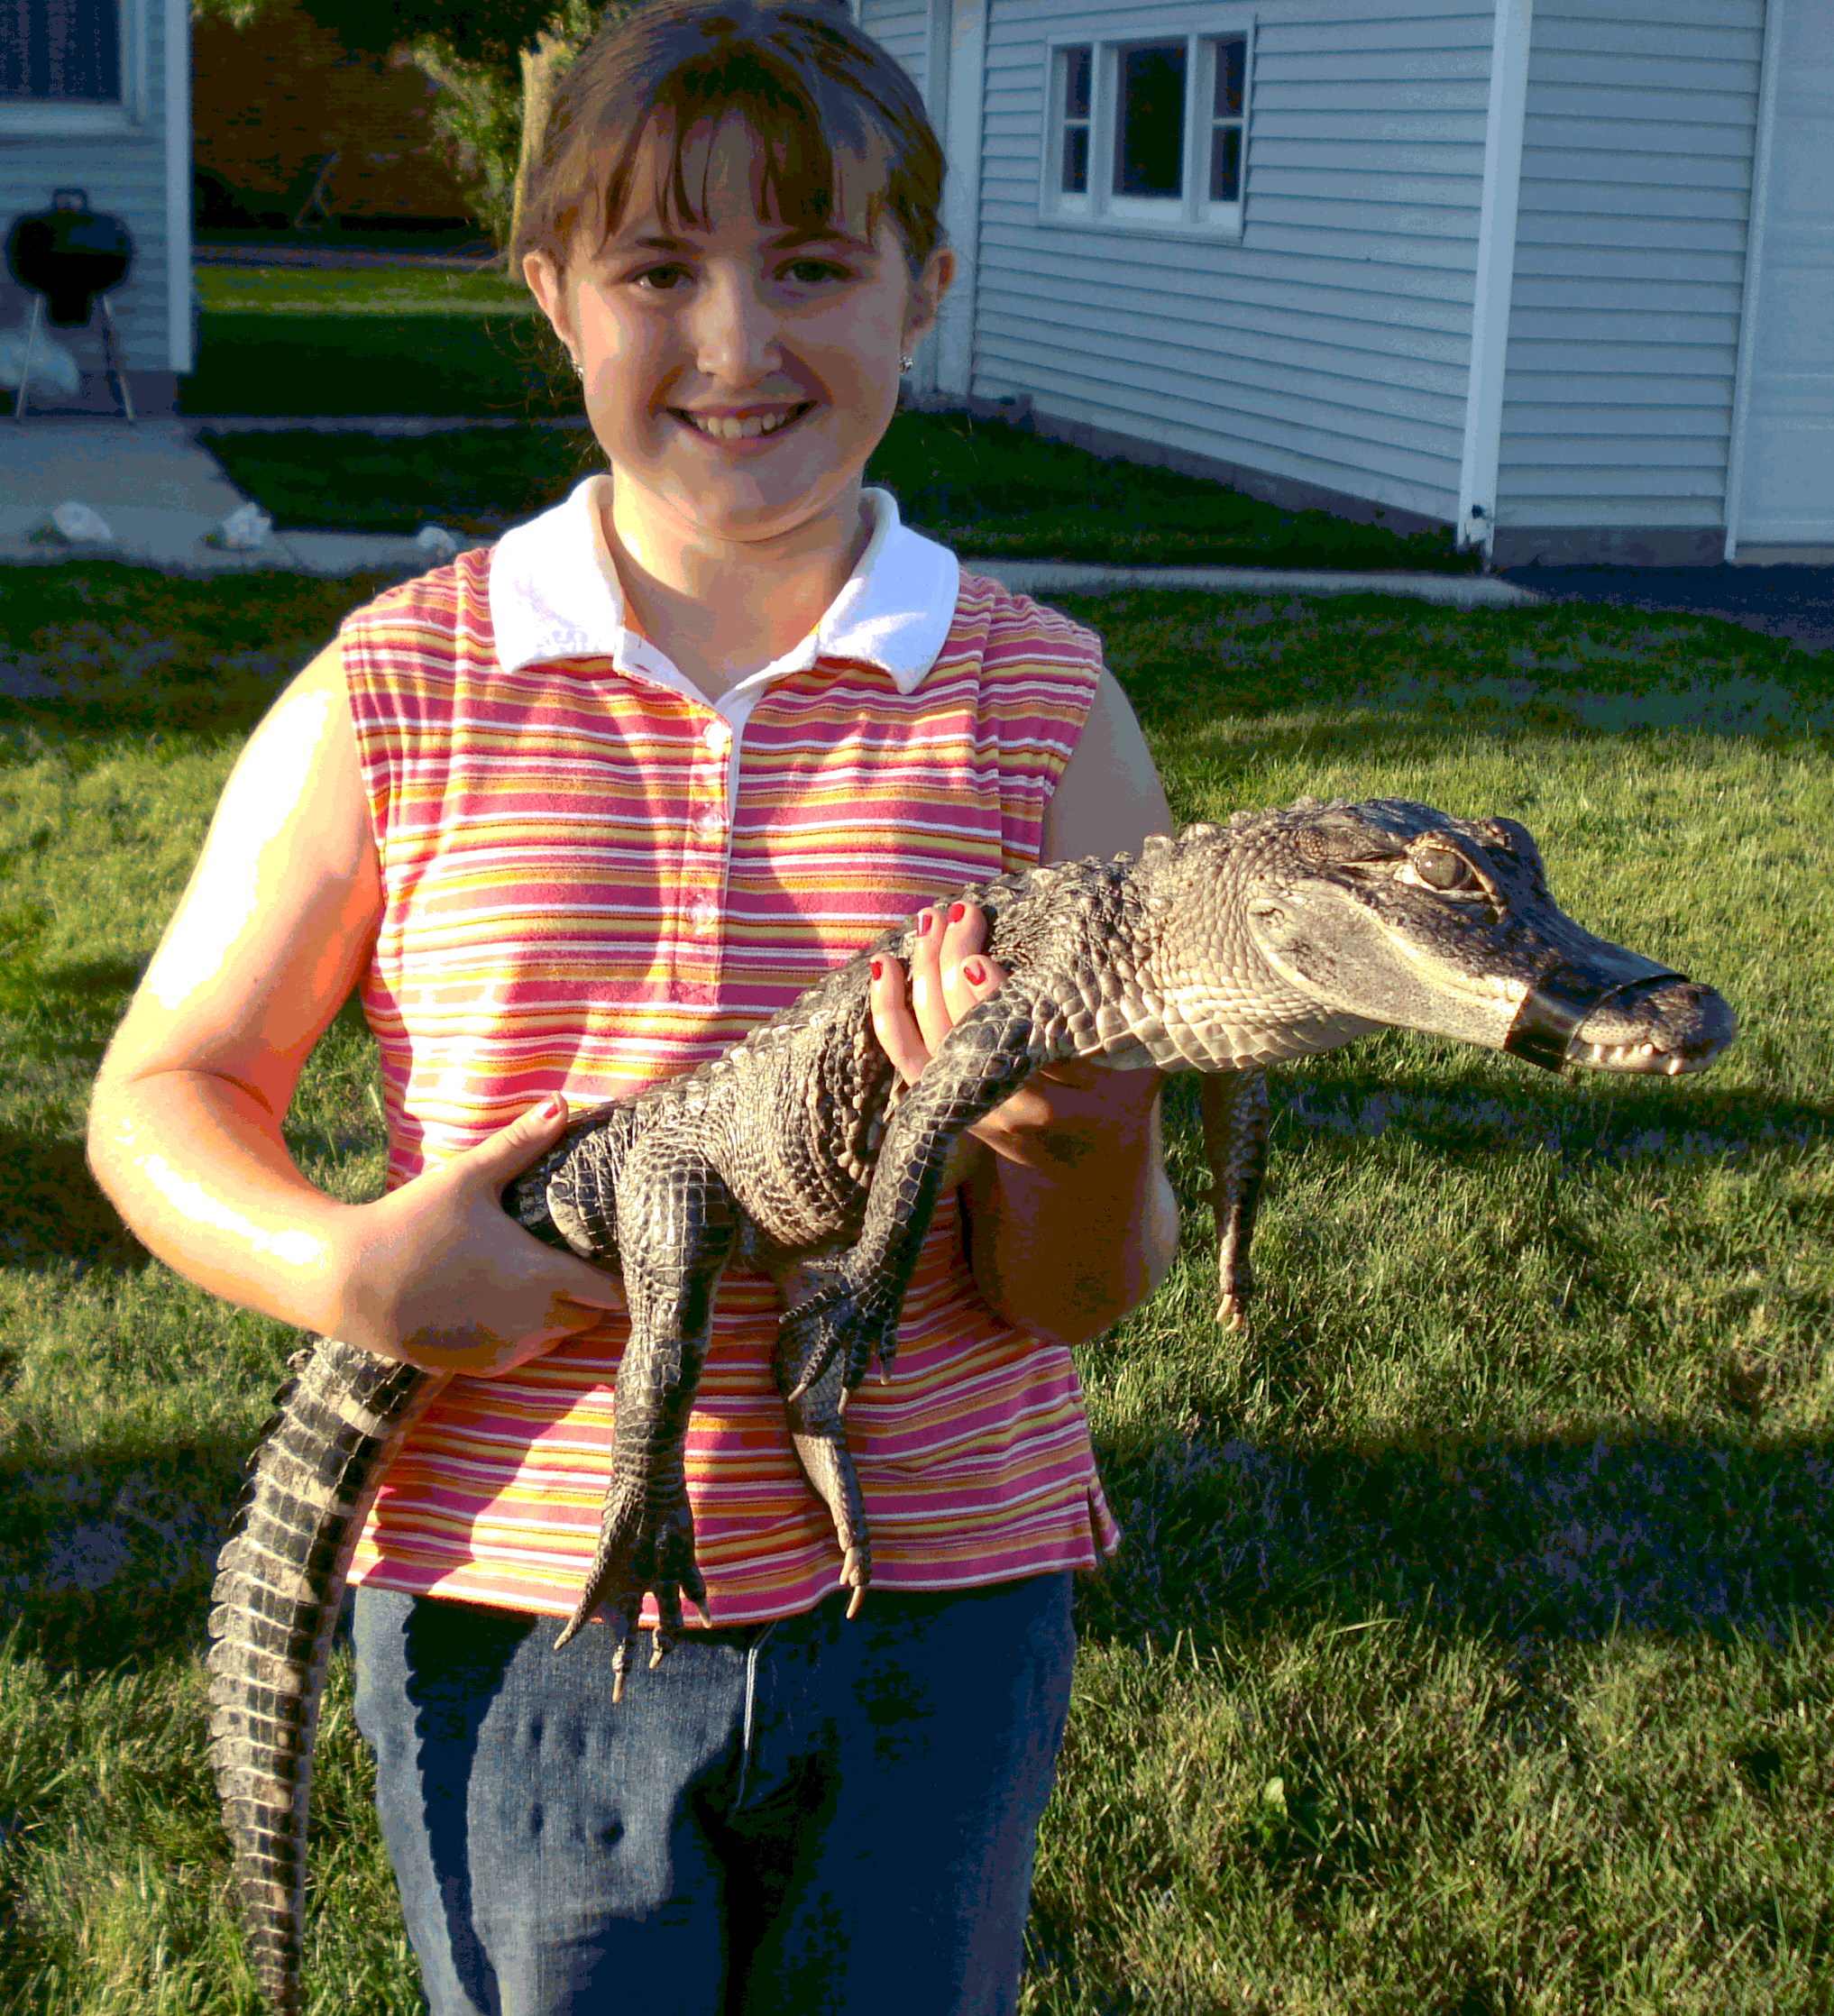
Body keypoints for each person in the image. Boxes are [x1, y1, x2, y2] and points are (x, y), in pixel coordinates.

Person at [87, 5, 1189, 2011]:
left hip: (940, 1598)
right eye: (661, 271)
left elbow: (1083, 1290)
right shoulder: (399, 686)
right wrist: (340, 1264)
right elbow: (163, 1090)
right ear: (551, 298)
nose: (740, 344)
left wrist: (1085, 1135)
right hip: (516, 1595)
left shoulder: (1045, 713)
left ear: (927, 292)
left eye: (817, 266)